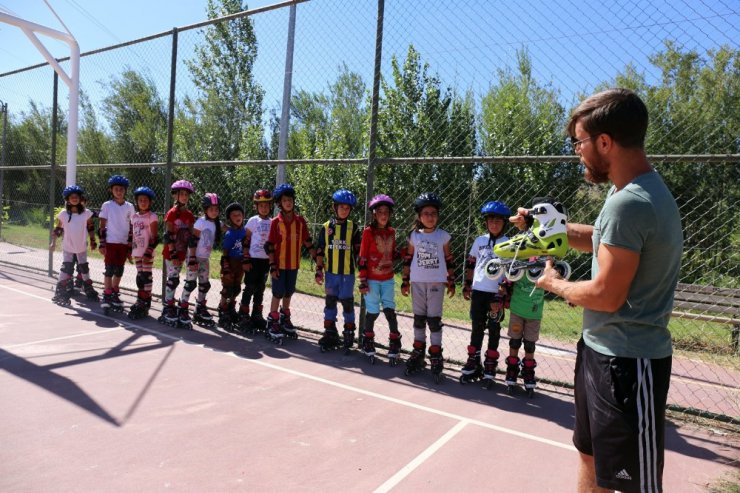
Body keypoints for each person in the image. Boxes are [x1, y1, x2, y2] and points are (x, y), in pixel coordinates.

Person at [527, 88, 682, 492]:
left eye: (579, 141)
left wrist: (553, 283)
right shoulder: (628, 193)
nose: (577, 151)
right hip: (601, 351)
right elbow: (603, 239)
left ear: (605, 142)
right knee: (590, 455)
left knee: (637, 484)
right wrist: (545, 230)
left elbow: (606, 295)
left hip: (630, 365)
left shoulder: (630, 202)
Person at [401, 192, 455, 383]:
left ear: (438, 215)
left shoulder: (443, 236)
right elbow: (408, 258)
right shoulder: (414, 236)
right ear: (419, 216)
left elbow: (449, 259)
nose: (430, 216)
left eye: (433, 213)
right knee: (418, 319)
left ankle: (436, 354)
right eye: (426, 213)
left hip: (436, 283)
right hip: (417, 282)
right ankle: (418, 352)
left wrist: (452, 280)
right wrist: (405, 280)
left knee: (434, 321)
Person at [459, 200, 510, 386]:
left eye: (498, 220)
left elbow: (510, 272)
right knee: (477, 328)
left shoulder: (508, 243)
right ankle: (474, 362)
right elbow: (472, 263)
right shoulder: (480, 241)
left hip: (495, 293)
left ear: (504, 222)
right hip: (479, 291)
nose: (494, 224)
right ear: (486, 222)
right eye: (490, 220)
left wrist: (502, 293)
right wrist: (467, 284)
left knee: (494, 329)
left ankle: (490, 365)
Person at [264, 183, 316, 343]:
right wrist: (272, 265)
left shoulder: (300, 221)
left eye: (290, 199)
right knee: (277, 292)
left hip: (293, 264)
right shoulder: (275, 222)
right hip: (278, 265)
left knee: (288, 292)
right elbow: (270, 245)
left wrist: (317, 257)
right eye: (285, 200)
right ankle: (272, 320)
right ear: (280, 203)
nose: (288, 202)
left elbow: (307, 241)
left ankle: (284, 317)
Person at [315, 189, 362, 353]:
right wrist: (318, 270)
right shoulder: (326, 227)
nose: (344, 210)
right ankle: (330, 331)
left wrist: (363, 272)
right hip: (331, 273)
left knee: (347, 301)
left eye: (347, 208)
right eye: (341, 207)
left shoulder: (353, 228)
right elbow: (320, 250)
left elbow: (358, 252)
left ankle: (349, 331)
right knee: (330, 301)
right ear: (334, 207)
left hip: (347, 273)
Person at [358, 194, 402, 364]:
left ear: (390, 214)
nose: (383, 215)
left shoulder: (392, 232)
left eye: (386, 212)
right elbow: (362, 257)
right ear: (374, 214)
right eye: (380, 212)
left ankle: (394, 342)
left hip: (388, 279)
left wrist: (406, 252)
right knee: (373, 312)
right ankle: (368, 341)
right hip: (372, 279)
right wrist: (362, 280)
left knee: (390, 311)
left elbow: (392, 253)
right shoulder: (368, 232)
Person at [49, 185, 98, 305]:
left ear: (80, 198)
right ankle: (60, 291)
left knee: (84, 267)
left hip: (81, 245)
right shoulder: (64, 214)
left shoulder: (86, 213)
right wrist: (53, 242)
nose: (75, 199)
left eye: (77, 196)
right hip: (68, 246)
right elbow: (58, 229)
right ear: (68, 199)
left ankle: (88, 288)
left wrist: (93, 240)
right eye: (72, 197)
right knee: (67, 268)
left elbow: (90, 227)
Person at [159, 180, 196, 327]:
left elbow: (193, 236)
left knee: (191, 280)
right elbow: (168, 235)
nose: (184, 197)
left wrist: (192, 255)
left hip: (185, 252)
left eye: (186, 194)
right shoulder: (172, 213)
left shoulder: (189, 214)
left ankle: (183, 306)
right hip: (172, 252)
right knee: (173, 279)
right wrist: (173, 253)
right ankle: (169, 305)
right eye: (181, 194)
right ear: (176, 196)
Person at [98, 175, 135, 313]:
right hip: (111, 242)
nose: (119, 192)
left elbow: (132, 226)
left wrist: (130, 245)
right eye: (116, 189)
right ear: (111, 190)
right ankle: (107, 294)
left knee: (119, 270)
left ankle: (114, 292)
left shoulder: (130, 206)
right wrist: (102, 243)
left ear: (125, 191)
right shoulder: (107, 205)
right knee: (109, 269)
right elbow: (102, 225)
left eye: (121, 189)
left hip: (123, 243)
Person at [238, 189, 273, 333]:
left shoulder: (272, 222)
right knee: (249, 287)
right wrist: (245, 259)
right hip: (253, 259)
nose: (264, 208)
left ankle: (256, 315)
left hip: (265, 261)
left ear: (270, 206)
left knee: (260, 289)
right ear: (256, 206)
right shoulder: (253, 221)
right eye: (261, 205)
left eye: (266, 205)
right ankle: (243, 315)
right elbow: (245, 240)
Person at [187, 193, 222, 328]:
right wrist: (192, 259)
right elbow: (192, 242)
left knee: (204, 284)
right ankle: (183, 307)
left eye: (216, 209)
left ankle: (199, 308)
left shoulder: (217, 223)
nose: (214, 212)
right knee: (190, 284)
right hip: (194, 257)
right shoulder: (200, 222)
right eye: (211, 209)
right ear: (205, 210)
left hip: (205, 259)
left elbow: (231, 230)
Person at [127, 186, 159, 320]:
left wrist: (149, 251)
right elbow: (131, 234)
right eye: (140, 200)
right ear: (137, 202)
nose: (143, 202)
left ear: (150, 202)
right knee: (140, 277)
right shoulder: (134, 217)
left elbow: (155, 237)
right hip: (137, 251)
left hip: (146, 252)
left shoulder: (152, 216)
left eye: (146, 200)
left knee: (146, 276)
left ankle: (146, 300)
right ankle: (141, 298)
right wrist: (129, 250)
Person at [218, 202, 248, 331]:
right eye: (234, 215)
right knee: (227, 288)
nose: (238, 216)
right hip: (230, 262)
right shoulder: (230, 234)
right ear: (230, 218)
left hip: (240, 263)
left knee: (236, 288)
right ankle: (223, 309)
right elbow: (225, 252)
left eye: (239, 214)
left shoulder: (245, 231)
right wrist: (225, 266)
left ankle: (231, 308)